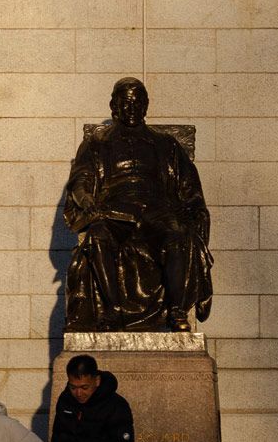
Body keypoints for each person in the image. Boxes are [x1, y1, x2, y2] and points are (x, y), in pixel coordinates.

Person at [61, 77, 213, 332]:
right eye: (126, 103)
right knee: (98, 236)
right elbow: (81, 179)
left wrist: (192, 209)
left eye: (138, 103)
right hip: (115, 211)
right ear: (114, 106)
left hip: (157, 209)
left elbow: (189, 186)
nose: (132, 108)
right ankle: (112, 310)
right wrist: (87, 201)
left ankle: (177, 311)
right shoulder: (97, 143)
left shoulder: (166, 144)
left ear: (146, 105)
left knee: (178, 235)